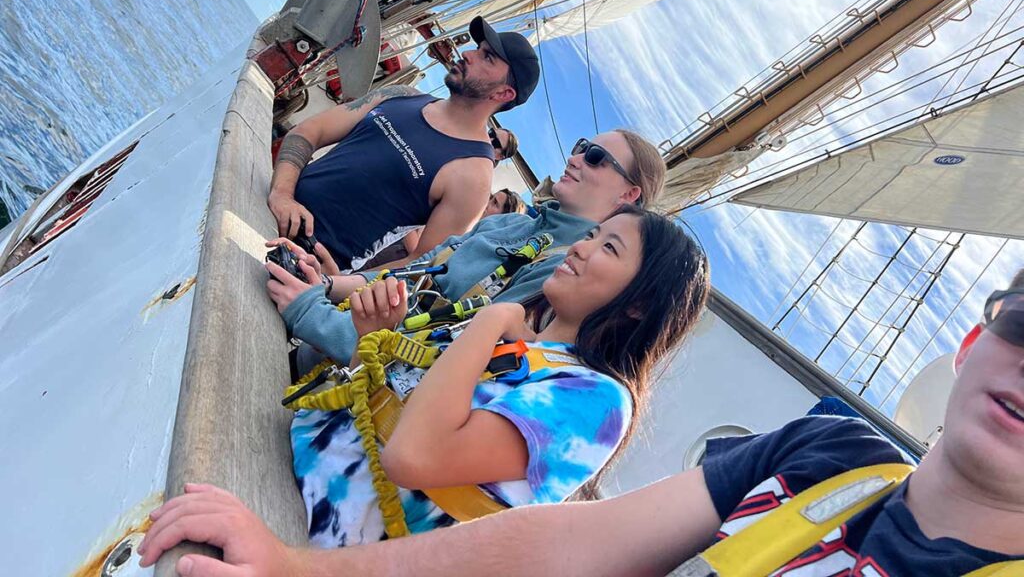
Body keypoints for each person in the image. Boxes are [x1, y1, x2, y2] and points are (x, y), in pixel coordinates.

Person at [140, 270, 1024, 576]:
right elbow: (567, 546)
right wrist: (292, 567)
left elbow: (413, 454)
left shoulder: (594, 400)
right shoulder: (832, 454)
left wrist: (489, 324)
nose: (579, 248)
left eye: (608, 246)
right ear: (973, 339)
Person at [267, 131, 666, 366]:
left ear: (628, 195)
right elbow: (416, 271)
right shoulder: (511, 224)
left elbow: (449, 350)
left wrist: (310, 312)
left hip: (345, 395)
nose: (575, 157)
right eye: (580, 146)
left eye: (595, 157)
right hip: (317, 343)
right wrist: (325, 284)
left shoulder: (566, 272)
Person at [267, 16, 540, 270]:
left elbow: (420, 263)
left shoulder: (473, 177)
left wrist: (332, 283)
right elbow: (310, 131)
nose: (468, 54)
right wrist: (283, 194)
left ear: (504, 93)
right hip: (272, 202)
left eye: (487, 57)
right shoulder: (402, 95)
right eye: (478, 48)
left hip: (303, 261)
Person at [359, 188, 526, 270]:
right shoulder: (463, 213)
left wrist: (418, 253)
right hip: (393, 252)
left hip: (401, 271)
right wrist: (417, 252)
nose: (487, 203)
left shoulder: (477, 243)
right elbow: (415, 230)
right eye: (491, 198)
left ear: (503, 217)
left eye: (495, 203)